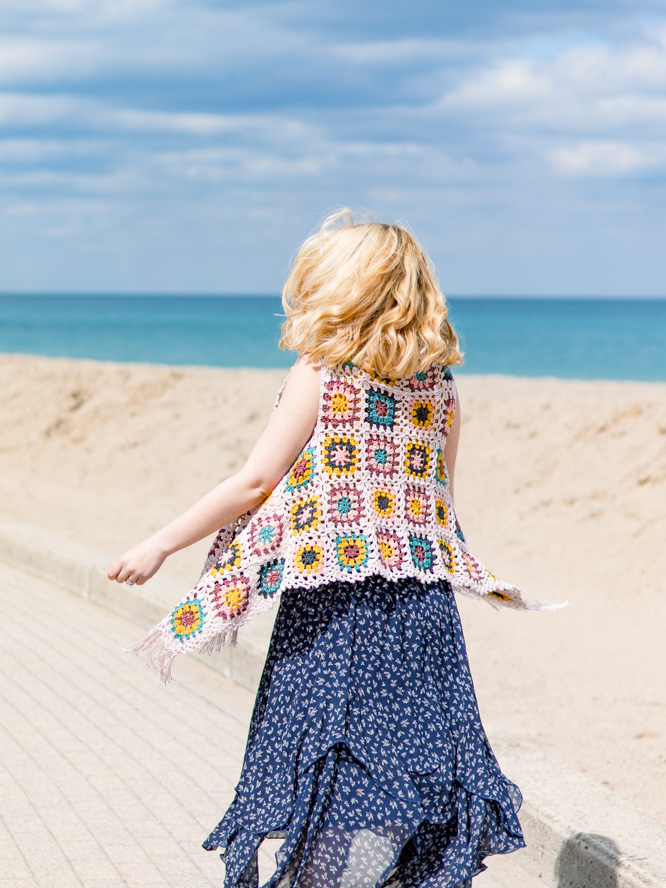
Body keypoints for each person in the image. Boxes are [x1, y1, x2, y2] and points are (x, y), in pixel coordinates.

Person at [109, 210, 558, 888]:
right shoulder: (439, 387)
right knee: (407, 772)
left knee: (328, 768)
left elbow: (257, 481)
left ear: (339, 288)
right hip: (422, 615)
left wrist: (161, 543)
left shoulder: (321, 372)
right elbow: (439, 507)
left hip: (336, 613)